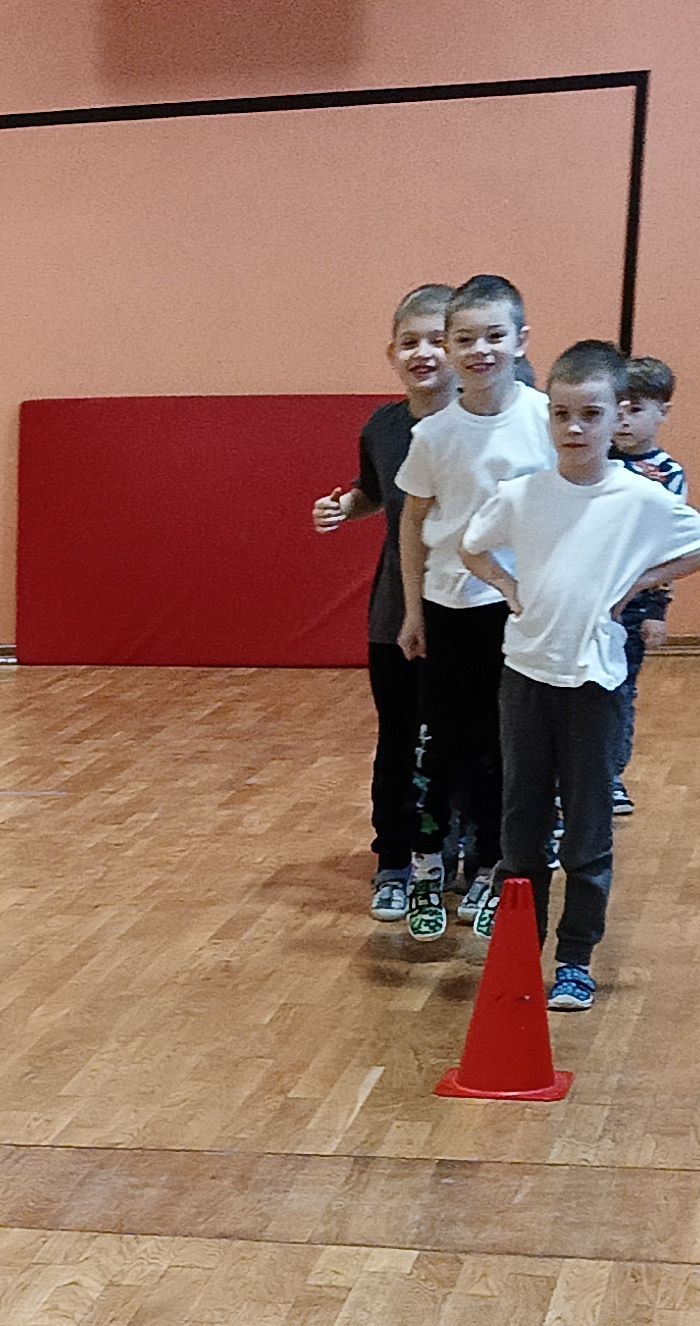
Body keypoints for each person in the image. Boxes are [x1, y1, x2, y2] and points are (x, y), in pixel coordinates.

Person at [455, 339, 700, 1015]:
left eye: (591, 415)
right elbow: (472, 546)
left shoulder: (640, 498)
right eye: (562, 414)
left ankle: (575, 961)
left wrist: (638, 584)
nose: (575, 428)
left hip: (595, 686)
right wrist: (507, 587)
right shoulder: (523, 494)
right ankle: (519, 955)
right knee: (521, 829)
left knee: (587, 829)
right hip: (525, 679)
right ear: (549, 416)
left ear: (615, 417)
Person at [389, 272, 550, 947]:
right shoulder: (435, 434)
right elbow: (412, 522)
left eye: (494, 336)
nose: (480, 350)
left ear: (521, 340)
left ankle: (490, 867)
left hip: (515, 612)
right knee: (439, 747)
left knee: (501, 748)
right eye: (465, 339)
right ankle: (427, 867)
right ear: (450, 346)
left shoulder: (546, 421)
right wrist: (412, 611)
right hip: (447, 609)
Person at [313, 284, 457, 935]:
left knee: (464, 742)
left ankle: (455, 856)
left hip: (469, 612)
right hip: (395, 613)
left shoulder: (490, 425)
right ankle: (394, 861)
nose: (423, 353)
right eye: (410, 342)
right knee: (398, 740)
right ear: (391, 352)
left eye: (438, 340)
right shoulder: (383, 427)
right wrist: (344, 508)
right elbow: (376, 494)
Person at [610, 357, 689, 813]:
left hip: (636, 605)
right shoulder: (592, 461)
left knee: (621, 691)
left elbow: (669, 547)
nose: (623, 419)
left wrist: (657, 611)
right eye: (617, 407)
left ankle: (610, 776)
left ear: (662, 413)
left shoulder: (667, 475)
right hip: (589, 599)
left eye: (636, 409)